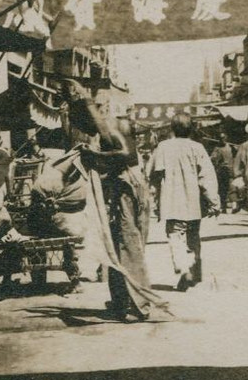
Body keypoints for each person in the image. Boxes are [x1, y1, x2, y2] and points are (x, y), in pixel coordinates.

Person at [65, 83, 168, 322]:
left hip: (127, 187)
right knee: (115, 243)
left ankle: (139, 304)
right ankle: (121, 300)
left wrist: (94, 156)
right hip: (122, 187)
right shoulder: (105, 125)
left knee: (128, 244)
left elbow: (124, 155)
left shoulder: (106, 124)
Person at [149, 113, 220, 291]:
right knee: (193, 238)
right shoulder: (198, 148)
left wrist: (154, 199)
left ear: (172, 129)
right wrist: (214, 201)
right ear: (191, 129)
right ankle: (192, 273)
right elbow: (207, 178)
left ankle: (183, 269)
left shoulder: (163, 147)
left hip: (172, 204)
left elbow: (151, 175)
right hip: (193, 204)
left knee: (175, 237)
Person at [209, 134, 236, 214]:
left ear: (226, 138)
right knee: (222, 189)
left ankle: (234, 205)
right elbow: (213, 158)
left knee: (232, 188)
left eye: (224, 138)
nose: (222, 140)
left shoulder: (231, 147)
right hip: (221, 171)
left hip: (230, 170)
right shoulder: (217, 148)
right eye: (221, 139)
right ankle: (223, 206)